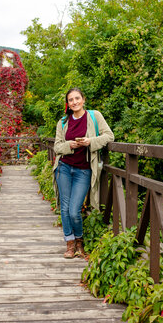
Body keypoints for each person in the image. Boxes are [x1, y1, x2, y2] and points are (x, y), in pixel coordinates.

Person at [53, 88, 114, 259]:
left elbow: (109, 136)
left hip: (83, 170)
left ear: (83, 99)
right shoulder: (63, 122)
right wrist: (69, 146)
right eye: (71, 100)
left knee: (74, 210)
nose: (74, 102)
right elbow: (57, 146)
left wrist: (91, 141)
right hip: (64, 167)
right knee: (64, 208)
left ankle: (79, 239)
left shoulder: (94, 116)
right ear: (68, 103)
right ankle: (70, 243)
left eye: (77, 98)